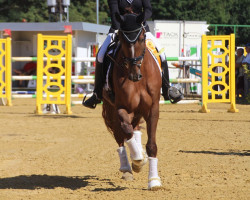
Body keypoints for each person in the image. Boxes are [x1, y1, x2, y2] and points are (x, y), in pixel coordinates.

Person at [82, 0, 183, 109]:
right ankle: (97, 93)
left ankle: (167, 88)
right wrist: (120, 26)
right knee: (101, 55)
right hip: (120, 28)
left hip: (140, 28)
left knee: (162, 53)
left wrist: (140, 21)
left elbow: (148, 9)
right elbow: (114, 12)